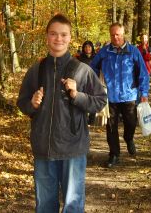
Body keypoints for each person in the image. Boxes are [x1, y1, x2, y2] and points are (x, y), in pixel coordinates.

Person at [16, 14, 107, 212]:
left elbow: (100, 101)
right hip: (43, 148)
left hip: (73, 148)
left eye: (63, 35)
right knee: (45, 205)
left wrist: (77, 95)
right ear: (47, 37)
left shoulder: (83, 70)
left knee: (73, 205)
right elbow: (22, 103)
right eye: (54, 34)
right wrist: (32, 103)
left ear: (70, 38)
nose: (59, 39)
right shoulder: (36, 70)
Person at [90, 22, 150, 168]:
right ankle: (114, 154)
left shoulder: (133, 51)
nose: (115, 37)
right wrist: (97, 85)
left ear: (123, 35)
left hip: (129, 95)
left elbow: (143, 73)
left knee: (131, 123)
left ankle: (129, 138)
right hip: (110, 97)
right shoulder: (104, 52)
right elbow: (92, 67)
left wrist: (144, 92)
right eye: (112, 35)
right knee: (111, 127)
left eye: (118, 34)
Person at [78, 40, 97, 125]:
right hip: (83, 81)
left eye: (89, 47)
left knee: (93, 100)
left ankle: (92, 120)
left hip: (94, 81)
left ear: (92, 48)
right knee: (84, 100)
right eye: (85, 47)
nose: (87, 48)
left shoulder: (96, 57)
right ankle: (84, 119)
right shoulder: (79, 58)